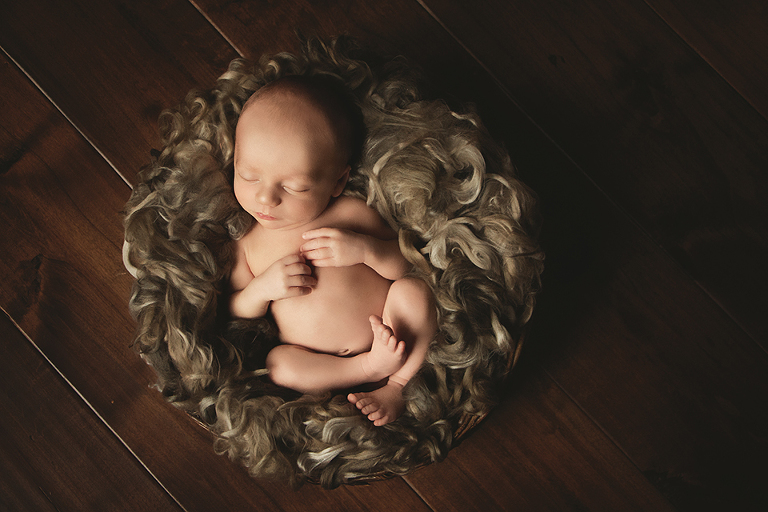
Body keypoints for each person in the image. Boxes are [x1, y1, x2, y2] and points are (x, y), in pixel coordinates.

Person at [228, 75, 437, 426]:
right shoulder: (246, 245)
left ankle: (398, 386)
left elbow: (410, 266)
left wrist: (368, 251)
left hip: (393, 329)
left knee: (415, 293)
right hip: (317, 363)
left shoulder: (353, 213)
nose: (266, 198)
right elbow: (237, 308)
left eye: (294, 187)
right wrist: (261, 289)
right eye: (248, 176)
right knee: (279, 365)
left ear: (337, 182)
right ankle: (366, 369)